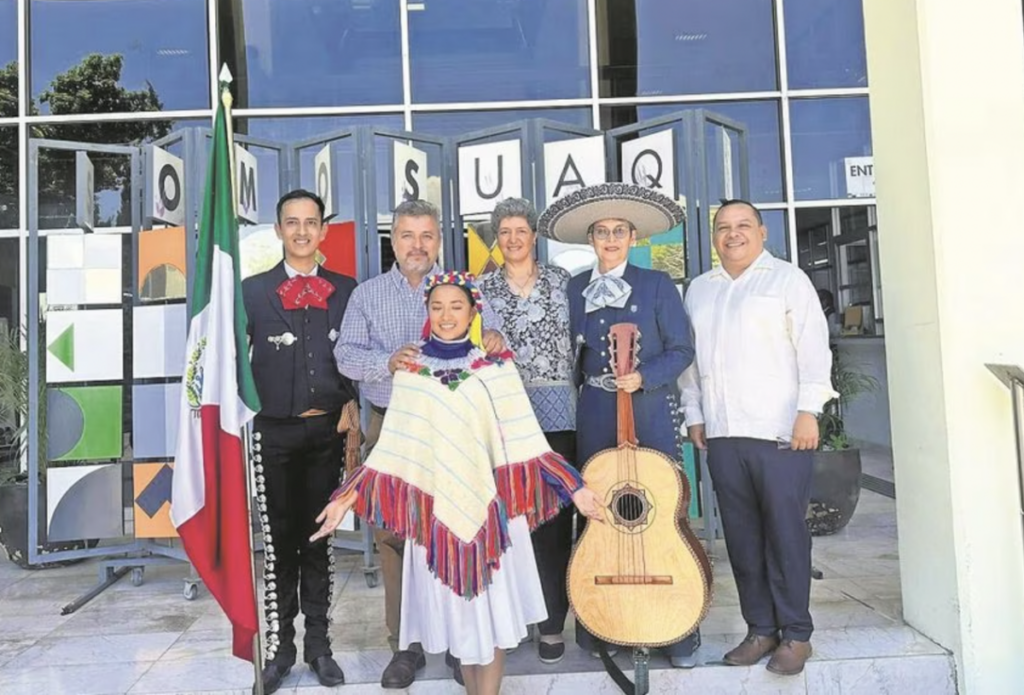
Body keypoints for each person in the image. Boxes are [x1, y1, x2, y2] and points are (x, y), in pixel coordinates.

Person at [313, 272, 604, 695]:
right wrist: (345, 498)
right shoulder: (412, 373)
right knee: (461, 625)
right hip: (438, 517)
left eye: (456, 307)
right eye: (437, 307)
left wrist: (575, 488)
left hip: (493, 516)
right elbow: (393, 449)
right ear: (427, 313)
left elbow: (527, 440)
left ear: (473, 312)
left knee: (491, 618)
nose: (446, 315)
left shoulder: (496, 368)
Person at [333, 199, 505, 689]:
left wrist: (493, 337)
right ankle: (404, 644)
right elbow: (345, 355)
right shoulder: (367, 295)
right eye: (408, 235)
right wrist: (387, 362)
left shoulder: (464, 289)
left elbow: (495, 342)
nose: (417, 245)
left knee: (457, 530)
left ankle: (457, 643)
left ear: (438, 241)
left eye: (427, 235)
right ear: (393, 241)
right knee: (395, 535)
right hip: (393, 425)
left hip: (457, 430)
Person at [536, 182, 702, 669]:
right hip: (594, 409)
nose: (610, 239)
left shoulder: (657, 284)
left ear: (633, 238)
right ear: (590, 239)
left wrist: (645, 376)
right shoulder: (573, 287)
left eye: (619, 231)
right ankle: (600, 622)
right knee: (599, 511)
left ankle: (677, 628)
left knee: (660, 507)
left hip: (648, 408)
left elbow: (682, 349)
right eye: (601, 231)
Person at [680, 199, 837, 676]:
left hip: (780, 432)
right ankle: (760, 629)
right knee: (743, 537)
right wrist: (694, 414)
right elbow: (691, 363)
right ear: (714, 236)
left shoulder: (788, 280)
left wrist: (809, 411)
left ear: (762, 232)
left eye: (743, 225)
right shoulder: (700, 289)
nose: (733, 234)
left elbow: (814, 350)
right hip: (724, 433)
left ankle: (796, 634)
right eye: (723, 227)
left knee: (785, 534)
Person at [241, 189, 359, 693]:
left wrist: (353, 402)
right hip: (273, 431)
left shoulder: (346, 289)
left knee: (319, 542)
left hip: (327, 432)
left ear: (323, 230)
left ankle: (319, 647)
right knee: (278, 545)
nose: (302, 231)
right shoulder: (251, 290)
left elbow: (356, 353)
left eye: (311, 222)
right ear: (278, 230)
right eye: (292, 222)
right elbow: (228, 359)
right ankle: (279, 650)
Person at [478, 198, 576, 665]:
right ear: (497, 238)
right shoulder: (481, 289)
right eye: (505, 232)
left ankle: (552, 622)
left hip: (560, 418)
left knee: (553, 523)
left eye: (521, 230)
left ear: (535, 236)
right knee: (511, 523)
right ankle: (515, 619)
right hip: (503, 418)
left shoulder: (562, 282)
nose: (513, 239)